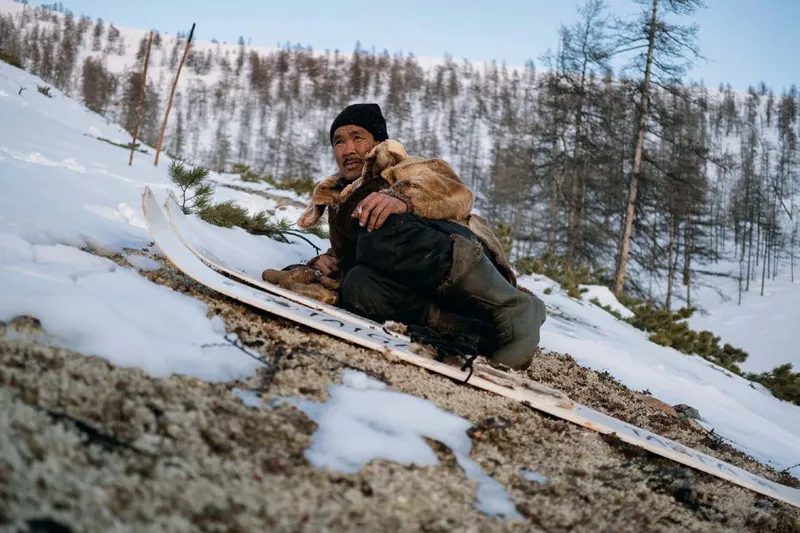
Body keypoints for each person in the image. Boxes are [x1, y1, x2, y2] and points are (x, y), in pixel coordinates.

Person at [295, 103, 546, 370]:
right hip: (431, 290)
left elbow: (458, 193)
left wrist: (403, 198)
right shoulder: (342, 202)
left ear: (379, 141)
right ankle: (475, 333)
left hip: (465, 256)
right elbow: (371, 254)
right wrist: (330, 264)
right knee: (357, 284)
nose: (349, 149)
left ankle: (512, 305)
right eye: (339, 142)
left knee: (379, 225)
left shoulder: (407, 167)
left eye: (358, 137)